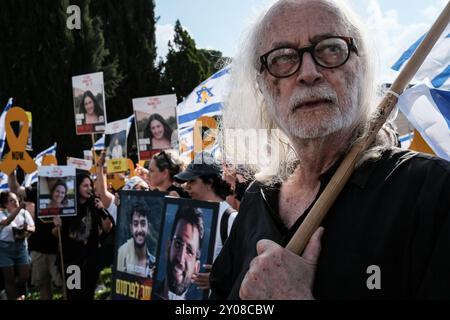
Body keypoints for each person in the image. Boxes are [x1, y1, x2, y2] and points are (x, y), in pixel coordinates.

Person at [210, 0, 450, 300]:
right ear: (262, 85)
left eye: (331, 49)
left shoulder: (432, 191)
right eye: (283, 57)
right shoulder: (257, 199)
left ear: (360, 67)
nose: (308, 73)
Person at [174, 153, 237, 291]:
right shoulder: (193, 214)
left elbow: (245, 267)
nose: (186, 187)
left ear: (210, 183)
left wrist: (217, 280)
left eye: (192, 181)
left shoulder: (230, 219)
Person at [54, 173, 113, 300]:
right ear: (77, 188)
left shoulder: (95, 205)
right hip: (72, 262)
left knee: (88, 294)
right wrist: (57, 224)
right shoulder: (68, 207)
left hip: (91, 261)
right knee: (74, 295)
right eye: (85, 186)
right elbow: (55, 233)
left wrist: (102, 210)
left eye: (90, 185)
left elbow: (108, 227)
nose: (89, 188)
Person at [153, 205, 204, 300]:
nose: (180, 258)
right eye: (178, 244)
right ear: (168, 248)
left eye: (189, 251)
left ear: (196, 268)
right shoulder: (146, 289)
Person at [0, 192, 35, 300]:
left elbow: (33, 228)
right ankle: (12, 295)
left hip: (21, 247)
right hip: (5, 249)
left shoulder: (24, 213)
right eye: (12, 200)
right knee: (9, 278)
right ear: (5, 204)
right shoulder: (1, 214)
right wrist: (19, 208)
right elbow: (6, 222)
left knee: (24, 276)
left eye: (17, 200)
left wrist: (26, 229)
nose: (16, 202)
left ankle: (11, 292)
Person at [116, 202, 155, 278]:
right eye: (136, 224)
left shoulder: (154, 263)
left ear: (148, 227)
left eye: (143, 223)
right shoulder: (122, 253)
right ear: (131, 228)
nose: (139, 230)